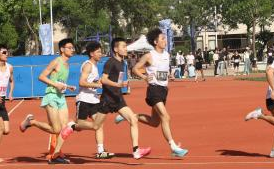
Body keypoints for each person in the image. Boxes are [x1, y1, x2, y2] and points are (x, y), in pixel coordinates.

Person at [119, 28, 188, 157]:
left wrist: (169, 75)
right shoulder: (149, 55)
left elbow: (164, 71)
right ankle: (173, 147)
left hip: (163, 90)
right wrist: (145, 77)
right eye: (162, 39)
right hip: (154, 90)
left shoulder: (167, 55)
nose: (165, 41)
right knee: (166, 117)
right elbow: (135, 69)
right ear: (156, 42)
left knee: (155, 122)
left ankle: (131, 116)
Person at [19, 38, 77, 164]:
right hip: (51, 96)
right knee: (56, 129)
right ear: (62, 49)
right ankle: (32, 122)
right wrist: (56, 85)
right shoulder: (56, 61)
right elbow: (41, 76)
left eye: (73, 48)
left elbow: (59, 81)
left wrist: (68, 86)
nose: (72, 50)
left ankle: (56, 154)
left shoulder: (67, 64)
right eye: (69, 48)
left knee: (64, 128)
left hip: (61, 97)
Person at [94, 37, 150, 159]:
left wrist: (122, 84)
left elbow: (117, 80)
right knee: (96, 126)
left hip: (118, 99)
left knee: (133, 119)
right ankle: (74, 127)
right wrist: (117, 85)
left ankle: (136, 150)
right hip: (107, 99)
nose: (126, 49)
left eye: (126, 46)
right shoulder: (110, 62)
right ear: (115, 49)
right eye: (123, 46)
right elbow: (103, 79)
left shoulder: (122, 63)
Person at [70, 41, 114, 159]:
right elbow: (81, 82)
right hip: (84, 99)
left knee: (99, 124)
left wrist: (99, 82)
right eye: (98, 52)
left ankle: (100, 151)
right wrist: (97, 85)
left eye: (101, 52)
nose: (101, 54)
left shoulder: (94, 66)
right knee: (84, 125)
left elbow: (92, 82)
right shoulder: (88, 65)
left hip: (94, 100)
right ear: (91, 53)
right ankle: (73, 125)